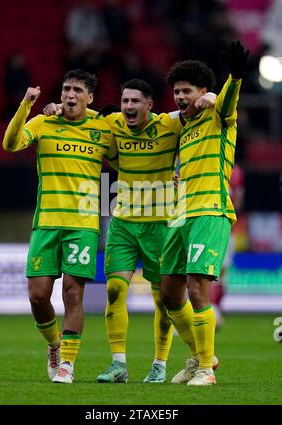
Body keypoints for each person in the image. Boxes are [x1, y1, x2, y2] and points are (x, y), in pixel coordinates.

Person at [43, 80, 216, 384]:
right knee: (114, 289)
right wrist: (56, 107)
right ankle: (118, 364)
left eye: (136, 101)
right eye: (124, 101)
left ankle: (182, 359)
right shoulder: (112, 123)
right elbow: (80, 112)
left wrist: (211, 96)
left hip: (161, 223)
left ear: (150, 105)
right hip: (123, 222)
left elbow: (197, 113)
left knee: (166, 298)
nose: (129, 107)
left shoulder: (170, 123)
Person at [2, 69, 117, 384]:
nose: (70, 95)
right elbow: (10, 144)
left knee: (72, 294)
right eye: (66, 89)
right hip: (47, 223)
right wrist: (27, 105)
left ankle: (67, 363)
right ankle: (54, 345)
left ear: (90, 97)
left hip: (83, 225)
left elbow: (127, 161)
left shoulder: (102, 129)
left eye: (78, 90)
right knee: (38, 296)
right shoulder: (44, 122)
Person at [160, 41, 249, 386]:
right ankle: (201, 355)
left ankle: (206, 371)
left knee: (198, 287)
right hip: (181, 215)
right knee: (169, 291)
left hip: (210, 211)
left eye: (187, 91)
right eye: (176, 92)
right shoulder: (182, 128)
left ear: (202, 92)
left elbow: (227, 101)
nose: (180, 97)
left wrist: (235, 78)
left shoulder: (219, 116)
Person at [210, 162, 245, 328]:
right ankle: (212, 311)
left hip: (222, 228)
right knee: (216, 273)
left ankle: (215, 309)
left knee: (219, 273)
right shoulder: (234, 169)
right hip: (219, 227)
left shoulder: (234, 170)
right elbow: (238, 198)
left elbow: (238, 198)